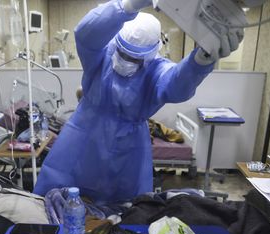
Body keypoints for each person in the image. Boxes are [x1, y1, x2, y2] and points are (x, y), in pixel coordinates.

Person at [34, 0, 243, 203]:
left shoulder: (157, 69)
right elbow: (85, 35)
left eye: (134, 59)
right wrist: (125, 7)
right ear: (115, 43)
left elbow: (178, 84)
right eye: (122, 53)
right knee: (55, 198)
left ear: (152, 54)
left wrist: (201, 61)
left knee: (127, 211)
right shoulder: (102, 54)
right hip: (83, 135)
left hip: (128, 148)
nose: (125, 62)